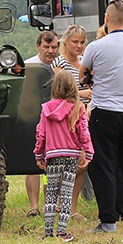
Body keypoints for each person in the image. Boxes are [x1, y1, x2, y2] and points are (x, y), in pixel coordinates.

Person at [81, 0, 123, 233]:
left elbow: (83, 74)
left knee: (105, 167)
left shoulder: (96, 46)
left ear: (106, 19)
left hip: (104, 112)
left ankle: (109, 220)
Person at [34, 70, 93, 242]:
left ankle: (47, 231)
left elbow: (41, 133)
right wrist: (88, 152)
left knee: (51, 192)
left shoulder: (46, 108)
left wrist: (39, 154)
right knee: (66, 193)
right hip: (71, 156)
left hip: (52, 155)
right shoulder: (78, 108)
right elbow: (84, 133)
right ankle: (62, 231)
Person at [50, 24, 93, 218]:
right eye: (75, 42)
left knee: (81, 164)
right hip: (66, 119)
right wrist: (83, 93)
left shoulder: (85, 62)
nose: (79, 46)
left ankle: (72, 207)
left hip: (85, 116)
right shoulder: (58, 63)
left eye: (82, 42)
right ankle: (60, 202)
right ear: (65, 42)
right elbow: (61, 91)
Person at [23, 30, 59, 217]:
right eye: (46, 47)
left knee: (53, 164)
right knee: (33, 165)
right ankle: (34, 206)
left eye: (54, 47)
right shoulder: (28, 66)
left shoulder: (60, 67)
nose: (51, 51)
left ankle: (51, 204)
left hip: (55, 122)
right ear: (38, 46)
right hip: (33, 121)